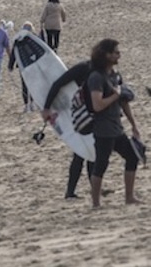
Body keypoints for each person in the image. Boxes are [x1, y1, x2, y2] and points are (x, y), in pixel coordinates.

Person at [85, 39, 141, 208]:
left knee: (132, 156)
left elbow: (124, 102)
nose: (119, 55)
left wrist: (134, 124)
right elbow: (97, 105)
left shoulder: (114, 75)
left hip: (116, 127)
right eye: (116, 52)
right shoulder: (96, 77)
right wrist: (115, 95)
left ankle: (129, 197)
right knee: (101, 164)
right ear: (106, 55)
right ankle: (95, 203)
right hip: (103, 128)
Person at [42, 60, 94, 199]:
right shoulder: (84, 68)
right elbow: (58, 84)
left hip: (93, 115)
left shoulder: (103, 71)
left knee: (91, 152)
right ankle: (72, 191)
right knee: (81, 152)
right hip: (78, 115)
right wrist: (47, 107)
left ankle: (90, 188)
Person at [8, 22, 37, 112]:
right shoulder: (18, 40)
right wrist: (11, 65)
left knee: (32, 84)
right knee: (25, 84)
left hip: (32, 64)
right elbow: (14, 52)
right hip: (23, 65)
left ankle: (31, 103)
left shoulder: (34, 39)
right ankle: (27, 104)